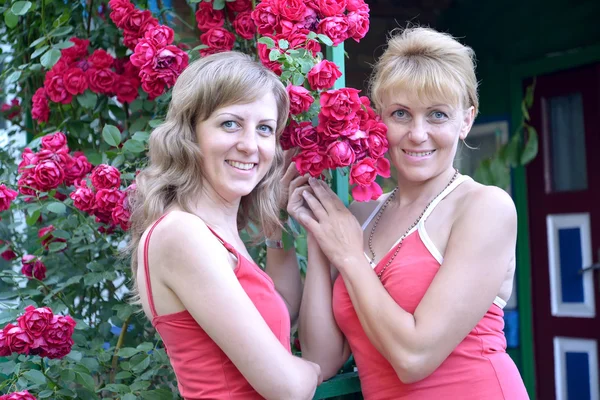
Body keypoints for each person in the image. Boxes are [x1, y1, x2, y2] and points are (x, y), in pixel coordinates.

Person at [288, 27, 529, 399]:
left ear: (465, 120)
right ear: (379, 119)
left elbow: (414, 358)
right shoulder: (364, 214)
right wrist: (321, 236)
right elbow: (322, 358)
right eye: (401, 114)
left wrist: (350, 255)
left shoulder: (484, 207)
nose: (418, 134)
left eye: (437, 115)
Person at [128, 52, 321, 400]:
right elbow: (289, 388)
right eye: (230, 123)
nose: (250, 145)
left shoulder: (213, 230)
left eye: (264, 129)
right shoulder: (182, 234)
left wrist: (277, 223)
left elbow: (280, 311)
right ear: (189, 133)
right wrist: (312, 370)